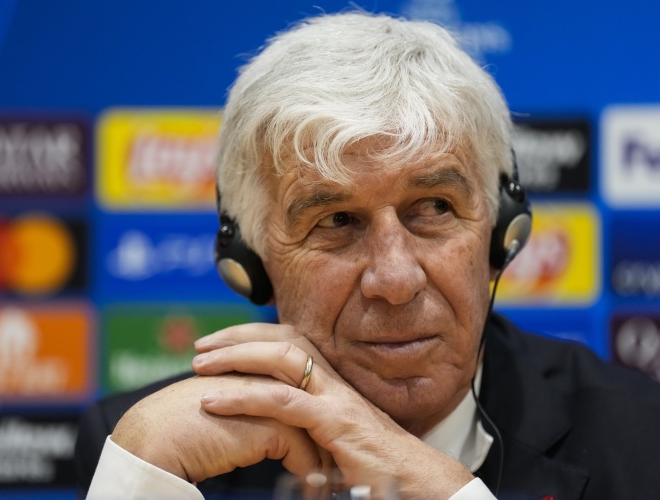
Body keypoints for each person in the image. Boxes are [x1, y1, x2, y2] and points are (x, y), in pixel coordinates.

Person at [75, 11, 660, 499]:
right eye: (336, 221)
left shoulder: (642, 440)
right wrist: (140, 480)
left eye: (434, 207)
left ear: (500, 233)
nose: (396, 279)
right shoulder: (154, 453)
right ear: (251, 261)